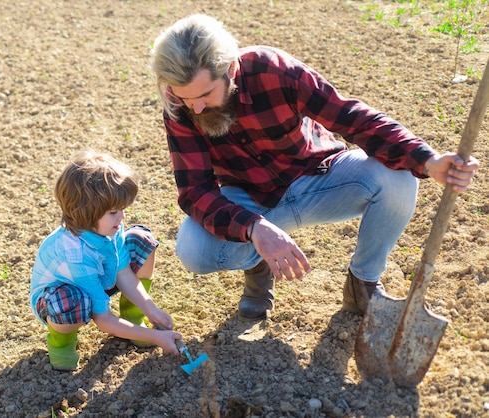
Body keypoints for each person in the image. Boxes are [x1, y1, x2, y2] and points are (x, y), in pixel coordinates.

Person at [149, 14, 479, 321]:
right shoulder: (179, 103)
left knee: (399, 176)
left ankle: (362, 284)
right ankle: (258, 264)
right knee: (192, 247)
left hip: (319, 178)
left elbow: (351, 117)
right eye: (187, 99)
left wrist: (428, 160)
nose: (196, 106)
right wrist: (254, 228)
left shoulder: (274, 70)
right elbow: (195, 191)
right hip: (251, 200)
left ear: (231, 68)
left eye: (205, 94)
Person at [29, 150, 181, 370]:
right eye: (113, 212)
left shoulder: (110, 230)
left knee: (141, 240)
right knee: (72, 301)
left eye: (122, 210)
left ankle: (132, 316)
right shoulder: (74, 252)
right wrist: (155, 337)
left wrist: (151, 310)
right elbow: (103, 320)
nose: (122, 218)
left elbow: (123, 273)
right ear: (86, 213)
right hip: (59, 300)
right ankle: (61, 342)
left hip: (99, 279)